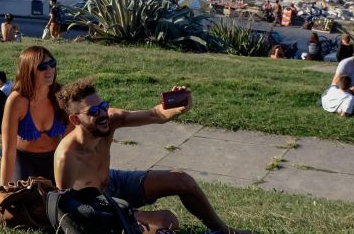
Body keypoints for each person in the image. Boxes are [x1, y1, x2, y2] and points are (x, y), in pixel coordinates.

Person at [55, 78, 249, 234]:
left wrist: (177, 108)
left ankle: (223, 230)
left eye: (103, 106)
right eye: (94, 111)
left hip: (112, 179)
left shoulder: (110, 120)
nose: (103, 113)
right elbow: (66, 210)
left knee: (182, 180)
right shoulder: (67, 157)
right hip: (97, 203)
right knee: (168, 221)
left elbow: (154, 114)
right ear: (75, 119)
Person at [0, 46, 69, 185]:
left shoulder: (62, 96)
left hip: (54, 158)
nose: (50, 70)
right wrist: (3, 190)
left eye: (52, 64)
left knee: (58, 202)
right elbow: (8, 151)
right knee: (22, 201)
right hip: (24, 160)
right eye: (42, 66)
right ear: (28, 69)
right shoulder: (17, 101)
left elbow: (71, 142)